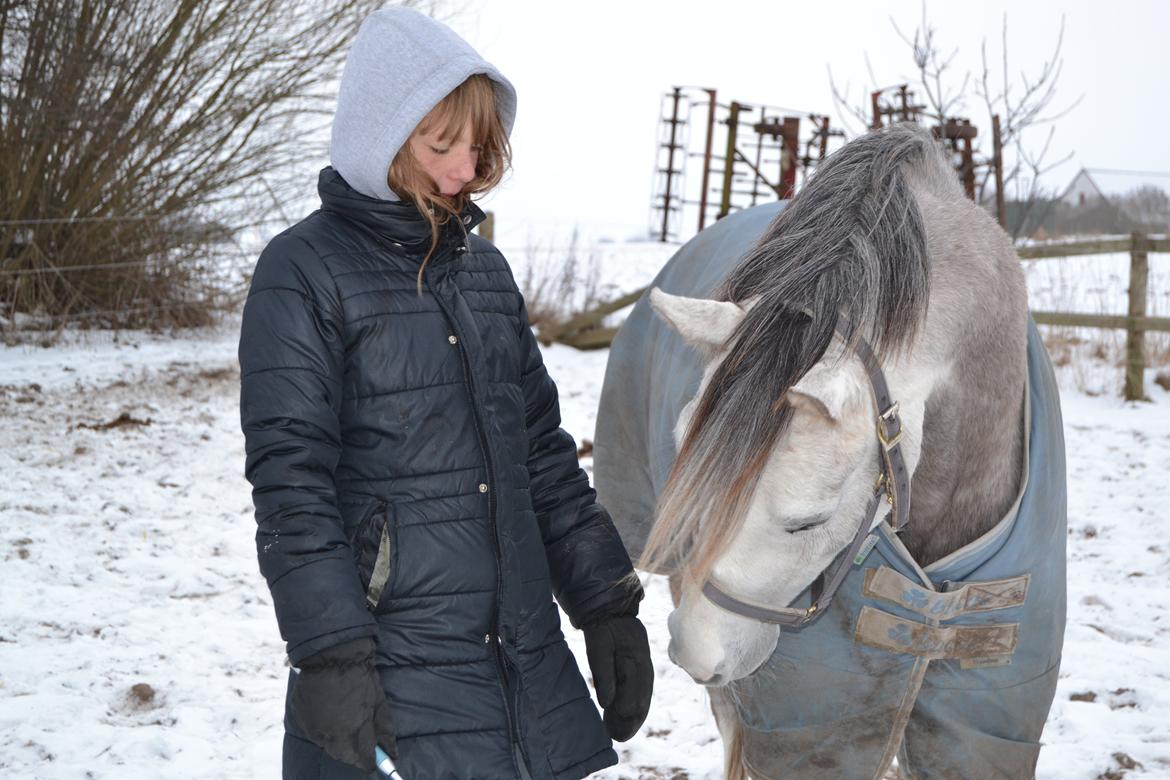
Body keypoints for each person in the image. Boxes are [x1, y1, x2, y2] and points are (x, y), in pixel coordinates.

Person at [237, 8, 653, 780]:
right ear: (379, 137)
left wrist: (605, 604)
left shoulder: (485, 274)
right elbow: (291, 487)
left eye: (480, 147)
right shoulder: (302, 272)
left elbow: (543, 458)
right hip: (390, 669)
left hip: (523, 668)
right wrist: (330, 657)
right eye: (442, 146)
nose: (465, 170)